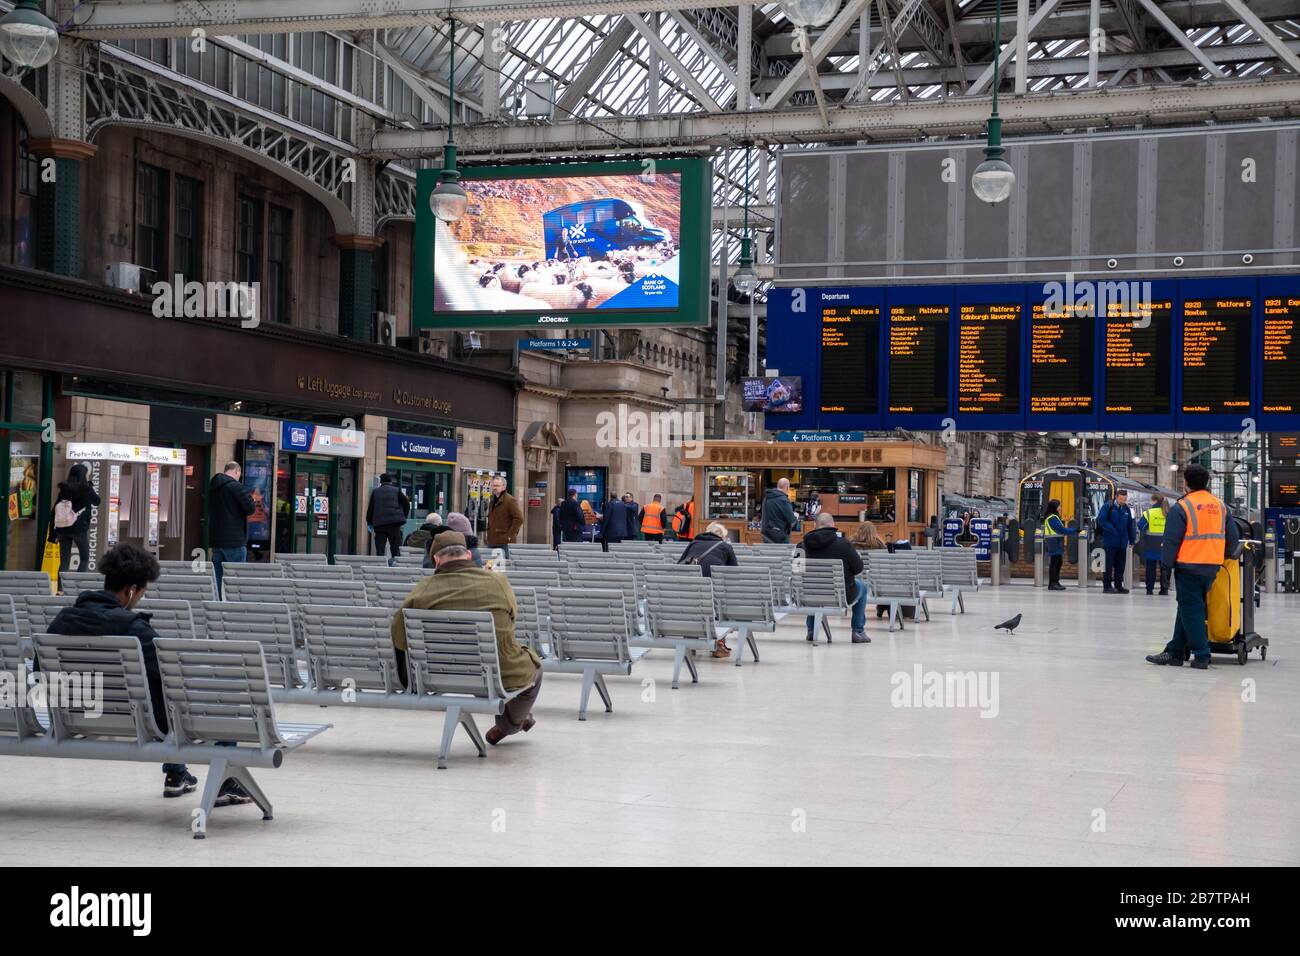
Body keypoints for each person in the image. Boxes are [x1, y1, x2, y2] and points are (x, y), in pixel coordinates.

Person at [46, 543, 250, 806]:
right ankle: (226, 782)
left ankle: (177, 775)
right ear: (131, 591)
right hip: (141, 721)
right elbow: (175, 675)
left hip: (71, 715)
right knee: (212, 697)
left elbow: (41, 673)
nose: (140, 598)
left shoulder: (62, 620)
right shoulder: (132, 629)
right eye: (141, 592)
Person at [391, 531, 542, 743]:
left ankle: (516, 720)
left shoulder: (422, 590)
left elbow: (398, 634)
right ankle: (507, 725)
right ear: (469, 555)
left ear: (436, 560)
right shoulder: (498, 582)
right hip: (494, 672)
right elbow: (510, 621)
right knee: (535, 670)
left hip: (438, 674)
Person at [1146, 464, 1239, 670]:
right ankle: (1175, 652)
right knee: (1187, 607)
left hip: (1188, 566)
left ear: (1185, 483)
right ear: (1206, 482)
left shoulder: (1182, 507)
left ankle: (1202, 654)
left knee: (1192, 609)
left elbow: (1171, 541)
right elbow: (1233, 541)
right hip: (1212, 567)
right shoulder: (1221, 506)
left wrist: (1166, 566)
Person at [798, 512, 868, 644]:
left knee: (813, 589)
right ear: (833, 525)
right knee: (863, 587)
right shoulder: (844, 544)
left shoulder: (801, 546)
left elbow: (796, 572)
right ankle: (858, 631)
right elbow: (858, 568)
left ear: (815, 525)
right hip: (840, 595)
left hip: (809, 594)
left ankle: (812, 630)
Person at [677, 522, 739, 657]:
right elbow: (734, 573)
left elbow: (679, 566)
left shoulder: (693, 544)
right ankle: (718, 646)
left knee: (696, 601)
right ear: (722, 536)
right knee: (721, 602)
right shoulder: (725, 547)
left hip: (690, 590)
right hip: (714, 594)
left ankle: (690, 642)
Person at [49, 463, 101, 585]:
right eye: (88, 474)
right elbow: (97, 501)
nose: (89, 476)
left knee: (64, 561)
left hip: (62, 529)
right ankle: (76, 587)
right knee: (84, 558)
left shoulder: (64, 489)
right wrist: (89, 484)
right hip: (79, 530)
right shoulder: (86, 489)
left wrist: (53, 533)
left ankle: (60, 591)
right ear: (83, 475)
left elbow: (54, 510)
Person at [208, 461, 254, 594]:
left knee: (217, 576)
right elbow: (250, 509)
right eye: (239, 474)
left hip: (217, 541)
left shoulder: (213, 487)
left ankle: (218, 604)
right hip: (234, 541)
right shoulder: (237, 487)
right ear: (236, 471)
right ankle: (234, 607)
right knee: (236, 577)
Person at [1097, 490, 1137, 593]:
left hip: (1122, 542)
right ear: (1116, 497)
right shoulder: (1108, 507)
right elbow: (1101, 520)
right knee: (1108, 565)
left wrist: (1132, 539)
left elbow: (1130, 525)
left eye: (1124, 499)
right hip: (1110, 542)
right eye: (1121, 499)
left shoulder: (1127, 509)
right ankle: (1107, 586)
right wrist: (1112, 529)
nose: (1123, 501)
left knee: (1120, 566)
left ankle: (1118, 585)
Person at [366, 473, 410, 566]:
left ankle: (380, 566)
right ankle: (395, 567)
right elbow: (406, 503)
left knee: (380, 549)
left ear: (381, 482)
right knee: (395, 548)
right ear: (391, 481)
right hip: (394, 524)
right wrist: (403, 516)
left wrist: (369, 522)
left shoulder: (376, 492)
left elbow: (370, 508)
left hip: (379, 525)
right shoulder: (397, 491)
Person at [850, 521, 891, 620]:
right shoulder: (879, 545)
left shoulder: (851, 544)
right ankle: (883, 606)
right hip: (875, 582)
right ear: (874, 532)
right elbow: (886, 565)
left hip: (856, 580)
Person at [1137, 494, 1169, 596]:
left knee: (1150, 568)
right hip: (1165, 544)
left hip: (1151, 543)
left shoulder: (1149, 513)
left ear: (1154, 500)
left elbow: (1141, 525)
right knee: (1164, 568)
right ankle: (1164, 589)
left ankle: (1149, 589)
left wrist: (1148, 529)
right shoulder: (1168, 513)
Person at [485, 476, 523, 552]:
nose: (494, 488)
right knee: (491, 563)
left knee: (505, 563)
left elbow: (519, 519)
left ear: (504, 487)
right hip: (492, 540)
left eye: (497, 486)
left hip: (504, 542)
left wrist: (509, 535)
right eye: (493, 485)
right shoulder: (492, 499)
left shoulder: (510, 500)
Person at [760, 478, 799, 543]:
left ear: (777, 486)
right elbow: (792, 521)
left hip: (766, 535)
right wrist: (795, 516)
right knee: (784, 553)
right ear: (787, 487)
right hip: (780, 536)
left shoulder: (766, 497)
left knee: (768, 553)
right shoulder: (783, 500)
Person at [1041, 499, 1068, 591]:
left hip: (1056, 541)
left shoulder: (1055, 516)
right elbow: (1061, 529)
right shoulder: (1052, 517)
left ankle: (1056, 582)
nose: (1060, 508)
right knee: (1054, 563)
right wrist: (1075, 531)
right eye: (1059, 506)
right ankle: (1052, 583)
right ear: (1055, 507)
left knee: (1058, 562)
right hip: (1053, 542)